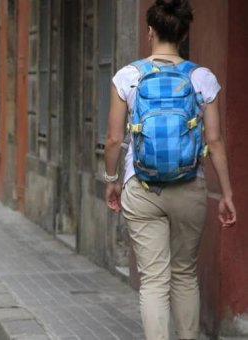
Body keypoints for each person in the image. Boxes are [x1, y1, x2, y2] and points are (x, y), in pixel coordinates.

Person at [104, 1, 236, 339]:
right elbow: (216, 140)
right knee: (184, 274)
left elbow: (114, 139)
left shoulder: (128, 77)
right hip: (190, 186)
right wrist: (226, 194)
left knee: (153, 280)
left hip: (141, 186)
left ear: (150, 31)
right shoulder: (202, 78)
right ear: (185, 33)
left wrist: (111, 180)